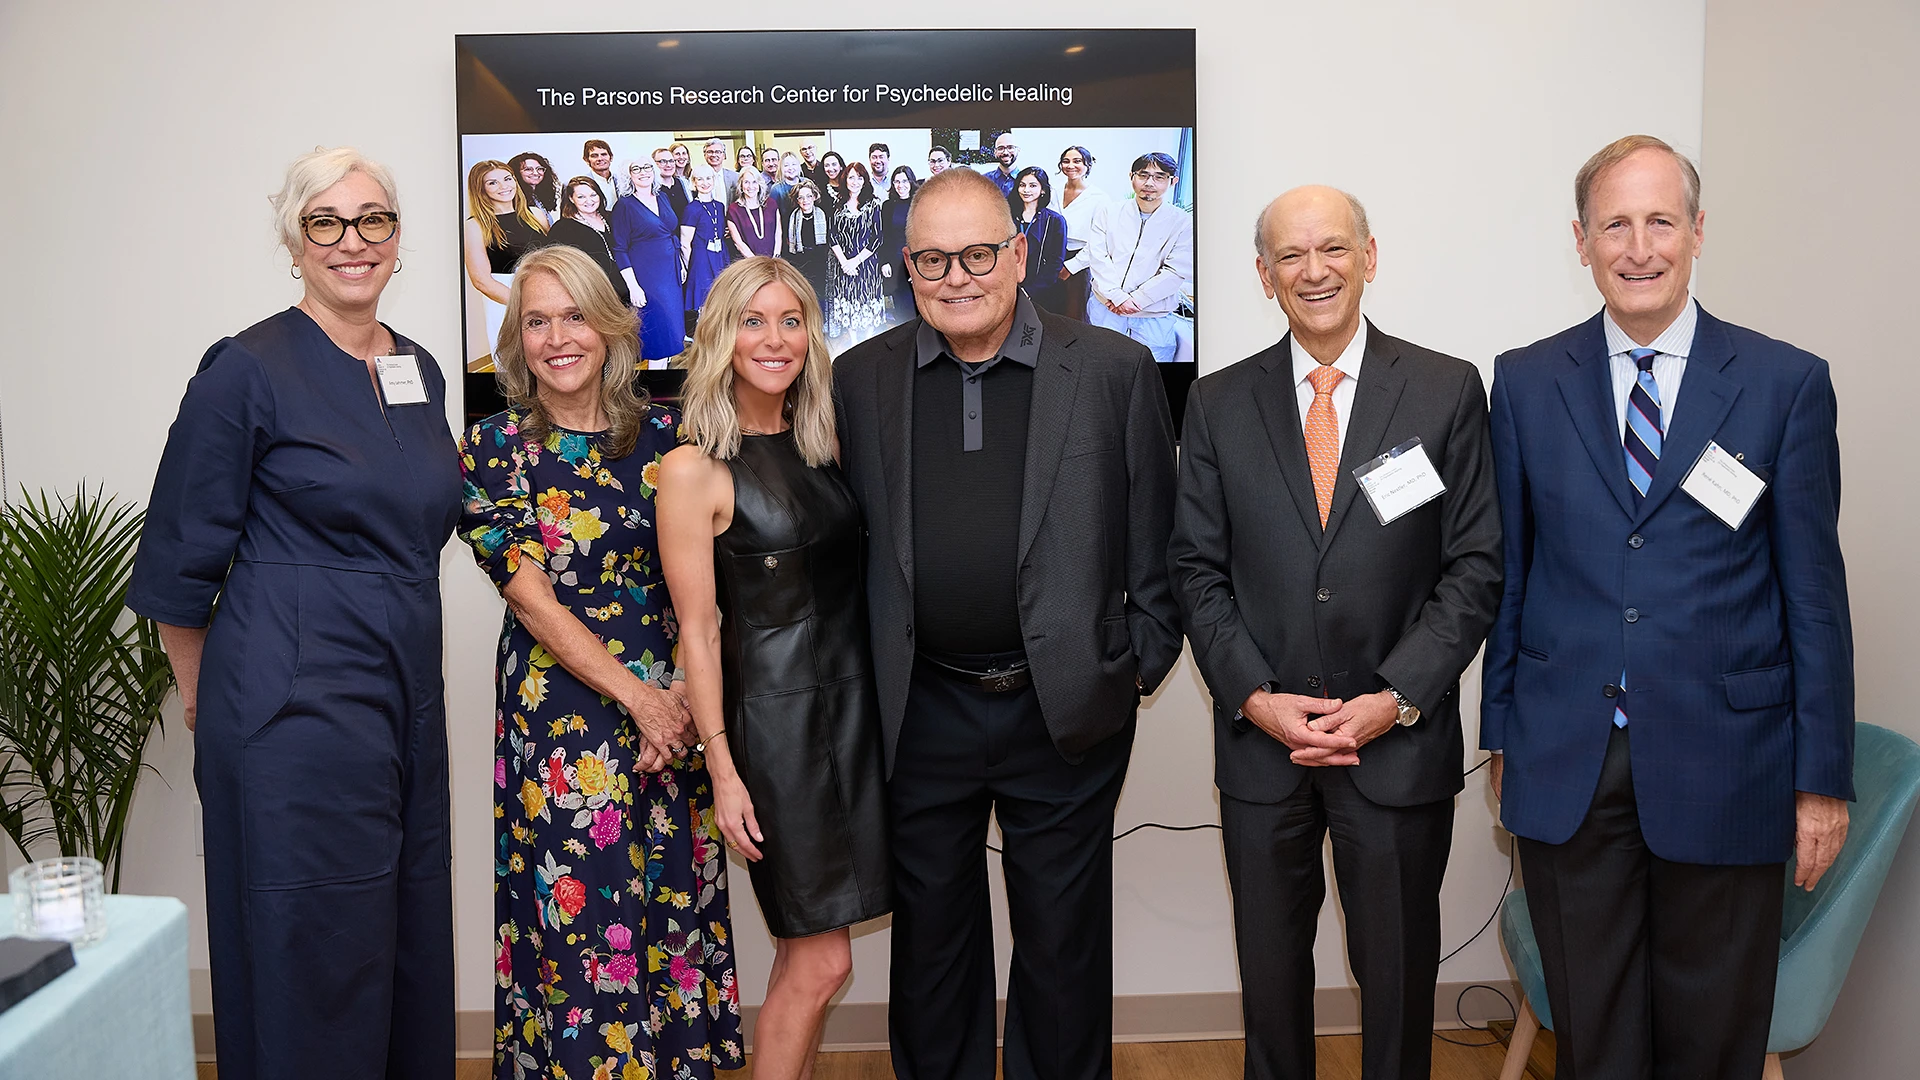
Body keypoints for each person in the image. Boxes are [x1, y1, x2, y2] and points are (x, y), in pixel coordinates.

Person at [1482, 134, 1855, 1080]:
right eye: (1615, 224)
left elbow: (1814, 595)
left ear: (1697, 232)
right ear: (1580, 241)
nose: (1638, 247)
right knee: (1594, 1036)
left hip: (1731, 765)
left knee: (1713, 1040)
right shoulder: (1525, 382)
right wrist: (1501, 736)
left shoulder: (1784, 384)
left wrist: (1822, 780)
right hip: (1571, 758)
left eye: (1660, 221)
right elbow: (1512, 575)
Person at [832, 167, 1181, 1080]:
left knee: (1063, 951)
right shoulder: (859, 378)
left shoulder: (1113, 368)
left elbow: (1158, 544)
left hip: (1061, 709)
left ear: (1020, 254)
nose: (958, 276)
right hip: (922, 712)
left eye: (978, 253)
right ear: (908, 267)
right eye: (934, 260)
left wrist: (1129, 669)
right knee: (932, 951)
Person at [127, 146, 460, 1079]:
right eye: (327, 221)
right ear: (294, 241)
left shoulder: (421, 371)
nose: (353, 242)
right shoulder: (246, 368)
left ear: (399, 240)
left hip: (403, 698)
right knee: (311, 940)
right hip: (291, 704)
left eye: (374, 221)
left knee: (402, 924)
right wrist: (207, 699)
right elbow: (182, 553)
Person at [1168, 186, 1504, 1080]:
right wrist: (1254, 697)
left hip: (1395, 746)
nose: (1313, 271)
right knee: (1271, 982)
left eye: (1333, 249)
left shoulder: (1445, 388)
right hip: (1262, 746)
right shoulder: (1216, 402)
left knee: (1397, 985)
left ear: (1369, 256)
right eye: (1291, 255)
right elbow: (1195, 571)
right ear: (1264, 276)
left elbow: (1474, 566)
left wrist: (1393, 700)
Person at [458, 245, 744, 1080]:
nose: (557, 337)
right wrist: (639, 701)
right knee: (580, 920)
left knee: (666, 902)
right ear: (516, 338)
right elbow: (531, 600)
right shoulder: (492, 448)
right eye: (536, 320)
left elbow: (707, 590)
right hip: (563, 721)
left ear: (612, 326)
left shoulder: (672, 437)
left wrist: (680, 700)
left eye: (574, 315)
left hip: (675, 703)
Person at [657, 255, 892, 1080]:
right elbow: (699, 629)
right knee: (821, 961)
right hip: (779, 734)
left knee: (824, 960)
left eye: (791, 320)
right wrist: (722, 768)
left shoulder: (822, 440)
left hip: (857, 717)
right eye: (753, 321)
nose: (775, 339)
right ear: (720, 337)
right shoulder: (694, 469)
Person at [1083, 152, 1192, 362]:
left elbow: (1176, 270)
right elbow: (1098, 257)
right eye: (1143, 175)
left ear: (1173, 181)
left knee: (1153, 374)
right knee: (1103, 368)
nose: (1149, 183)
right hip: (1107, 308)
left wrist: (1137, 300)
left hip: (1153, 314)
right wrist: (1118, 297)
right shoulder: (1109, 212)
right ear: (1131, 176)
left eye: (1159, 177)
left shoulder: (1183, 222)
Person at [464, 158, 549, 364]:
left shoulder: (535, 214)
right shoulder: (476, 225)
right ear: (481, 189)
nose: (504, 186)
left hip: (546, 294)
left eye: (507, 178)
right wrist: (523, 303)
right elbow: (481, 280)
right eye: (492, 182)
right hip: (506, 301)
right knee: (515, 363)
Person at [610, 159, 686, 363]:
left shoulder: (661, 196)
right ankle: (654, 386)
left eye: (647, 167)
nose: (643, 172)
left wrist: (680, 262)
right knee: (657, 334)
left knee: (672, 330)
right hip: (647, 277)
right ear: (629, 175)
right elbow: (620, 248)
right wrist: (633, 286)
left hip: (670, 273)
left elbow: (670, 230)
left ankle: (666, 375)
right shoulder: (624, 205)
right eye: (636, 168)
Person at [547, 175, 632, 307]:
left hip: (626, 288)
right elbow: (555, 266)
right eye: (581, 197)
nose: (589, 201)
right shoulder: (562, 228)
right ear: (571, 198)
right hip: (593, 295)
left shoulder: (611, 217)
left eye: (593, 195)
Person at [826, 162, 885, 346]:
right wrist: (845, 262)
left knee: (867, 297)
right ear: (845, 179)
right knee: (848, 297)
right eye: (851, 177)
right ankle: (852, 340)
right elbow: (832, 236)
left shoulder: (873, 204)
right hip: (843, 263)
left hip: (866, 262)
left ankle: (868, 338)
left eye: (860, 178)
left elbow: (877, 237)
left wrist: (855, 261)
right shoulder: (837, 203)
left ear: (865, 180)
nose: (855, 182)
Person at [1054, 145, 1110, 323]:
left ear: (1088, 165)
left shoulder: (1099, 198)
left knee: (1074, 315)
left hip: (1079, 262)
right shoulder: (1052, 191)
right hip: (1053, 257)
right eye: (1066, 161)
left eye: (1077, 161)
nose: (1071, 165)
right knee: (1050, 311)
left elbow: (1099, 240)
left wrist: (1070, 267)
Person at [1008, 166, 1067, 314]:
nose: (1026, 190)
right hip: (1008, 286)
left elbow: (1055, 262)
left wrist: (1029, 292)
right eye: (1022, 185)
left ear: (1043, 190)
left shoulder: (1055, 221)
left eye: (1032, 185)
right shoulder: (1007, 216)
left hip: (1041, 292)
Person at [682, 162, 731, 327]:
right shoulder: (691, 209)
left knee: (721, 297)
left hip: (720, 255)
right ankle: (704, 338)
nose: (705, 183)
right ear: (694, 182)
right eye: (700, 179)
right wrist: (692, 267)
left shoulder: (719, 206)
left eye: (708, 178)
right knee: (704, 303)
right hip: (701, 259)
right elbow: (685, 243)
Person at [782, 179, 832, 329]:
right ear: (796, 200)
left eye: (809, 196)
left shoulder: (823, 215)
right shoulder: (791, 218)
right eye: (801, 197)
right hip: (800, 260)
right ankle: (807, 324)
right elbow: (790, 244)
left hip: (819, 260)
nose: (805, 200)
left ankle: (821, 325)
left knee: (820, 294)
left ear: (814, 197)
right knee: (803, 294)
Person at [879, 165, 918, 322]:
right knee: (901, 306)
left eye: (904, 181)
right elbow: (885, 237)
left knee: (916, 303)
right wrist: (884, 262)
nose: (900, 185)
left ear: (911, 181)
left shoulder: (919, 203)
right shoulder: (888, 206)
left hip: (915, 260)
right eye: (896, 182)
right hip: (895, 262)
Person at [726, 165, 781, 262]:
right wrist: (757, 264)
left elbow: (778, 233)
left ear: (759, 184)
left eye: (754, 182)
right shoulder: (733, 210)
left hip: (773, 261)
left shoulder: (771, 204)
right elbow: (738, 243)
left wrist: (775, 258)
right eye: (746, 182)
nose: (751, 186)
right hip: (749, 264)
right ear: (741, 185)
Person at [510, 151, 562, 224]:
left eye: (539, 169)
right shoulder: (515, 199)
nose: (535, 173)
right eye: (528, 169)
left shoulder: (537, 196)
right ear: (516, 172)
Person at [583, 138, 631, 210]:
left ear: (611, 157)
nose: (600, 158)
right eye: (594, 156)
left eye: (604, 154)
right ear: (586, 160)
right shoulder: (582, 184)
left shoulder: (623, 180)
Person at [654, 146, 694, 221]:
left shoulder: (682, 183)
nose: (668, 165)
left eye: (671, 161)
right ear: (654, 164)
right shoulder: (653, 188)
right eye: (663, 161)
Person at [704, 137, 740, 206]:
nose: (714, 155)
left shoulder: (735, 177)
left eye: (718, 152)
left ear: (724, 155)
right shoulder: (699, 178)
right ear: (705, 155)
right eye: (710, 152)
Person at [982, 130, 1019, 195]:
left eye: (1010, 147)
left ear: (1018, 150)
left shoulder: (1025, 181)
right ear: (995, 152)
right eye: (1000, 148)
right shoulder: (984, 180)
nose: (1005, 152)